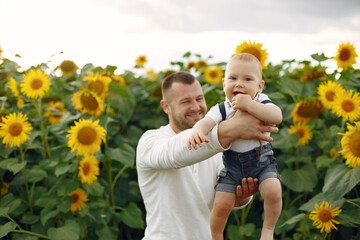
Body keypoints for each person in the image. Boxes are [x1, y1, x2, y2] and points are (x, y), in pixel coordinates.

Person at [136, 71, 279, 240]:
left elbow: (228, 186)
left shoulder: (220, 147)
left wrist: (242, 196)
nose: (196, 107)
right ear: (166, 106)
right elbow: (174, 153)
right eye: (185, 101)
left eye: (199, 98)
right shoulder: (151, 140)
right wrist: (232, 128)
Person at [188, 53, 282, 240]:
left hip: (262, 162)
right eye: (233, 78)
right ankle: (215, 236)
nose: (239, 84)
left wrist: (249, 105)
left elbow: (276, 116)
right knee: (221, 205)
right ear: (224, 84)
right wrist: (197, 131)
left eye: (247, 79)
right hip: (232, 167)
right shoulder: (223, 108)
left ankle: (268, 229)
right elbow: (206, 122)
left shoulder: (260, 101)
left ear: (259, 86)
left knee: (273, 191)